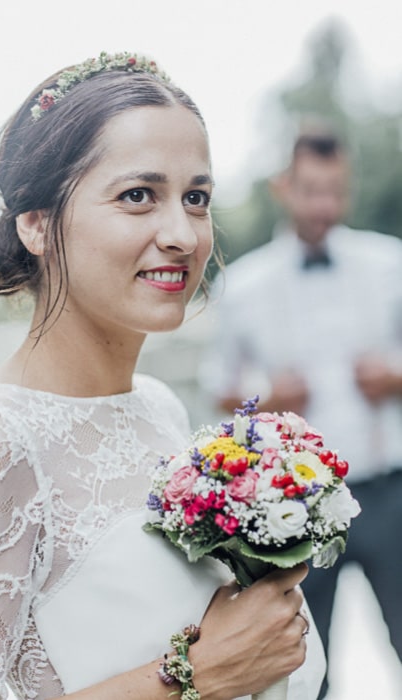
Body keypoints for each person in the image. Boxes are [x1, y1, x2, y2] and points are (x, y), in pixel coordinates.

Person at [0, 51, 327, 700]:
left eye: (196, 198)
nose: (183, 233)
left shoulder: (159, 407)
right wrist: (193, 676)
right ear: (37, 224)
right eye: (137, 196)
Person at [200, 129, 402, 698]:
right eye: (312, 190)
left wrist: (394, 378)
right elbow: (221, 392)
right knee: (305, 665)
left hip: (392, 492)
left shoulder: (391, 263)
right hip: (296, 511)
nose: (324, 206)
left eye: (336, 191)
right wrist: (265, 399)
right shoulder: (243, 285)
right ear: (284, 187)